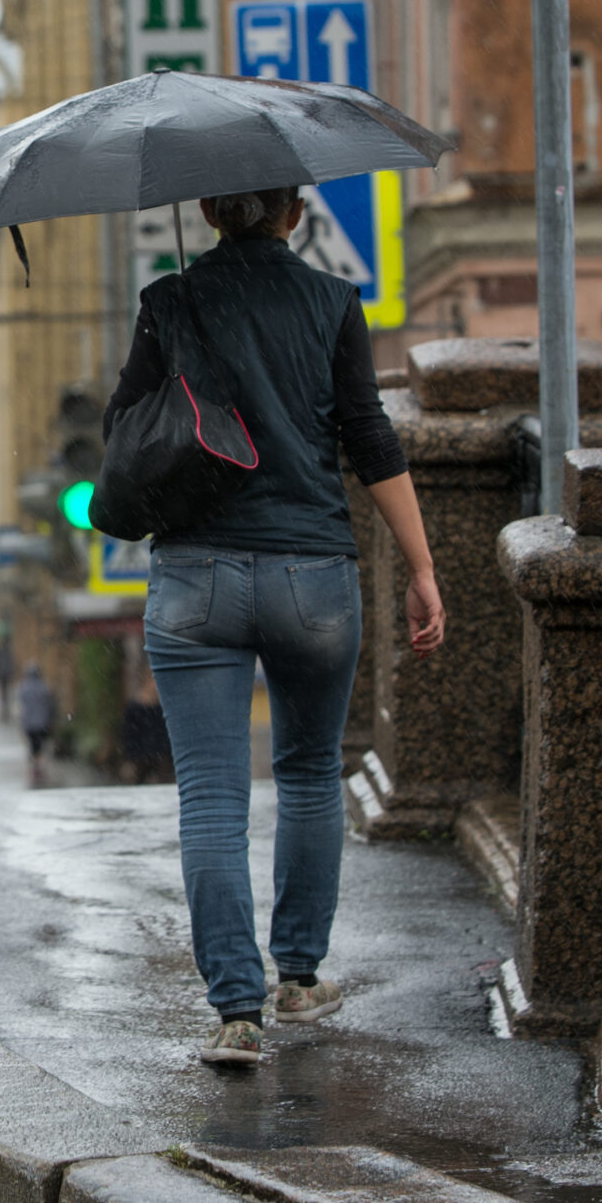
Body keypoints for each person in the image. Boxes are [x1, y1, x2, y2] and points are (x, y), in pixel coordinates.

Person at [106, 185, 444, 1068]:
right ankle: (299, 978)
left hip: (196, 579)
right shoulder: (334, 303)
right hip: (314, 575)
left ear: (211, 211)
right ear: (294, 213)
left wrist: (187, 381)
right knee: (307, 774)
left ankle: (236, 1014)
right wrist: (421, 567)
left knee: (211, 800)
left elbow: (122, 430)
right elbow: (370, 438)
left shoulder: (169, 301)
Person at [15, 664, 55, 769]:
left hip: (28, 722)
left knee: (33, 742)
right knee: (39, 743)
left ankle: (34, 761)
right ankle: (37, 761)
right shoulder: (44, 687)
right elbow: (49, 703)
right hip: (42, 722)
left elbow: (21, 700)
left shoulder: (24, 687)